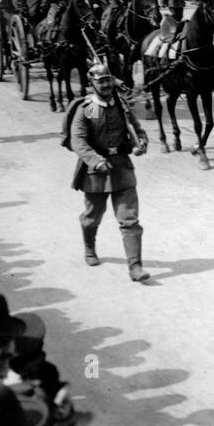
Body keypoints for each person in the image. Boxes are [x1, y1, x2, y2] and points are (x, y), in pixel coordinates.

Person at [69, 63, 150, 282]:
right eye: (100, 81)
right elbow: (78, 141)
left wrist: (141, 142)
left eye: (108, 80)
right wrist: (95, 161)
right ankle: (89, 248)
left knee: (129, 219)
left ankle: (135, 267)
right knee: (92, 216)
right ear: (92, 84)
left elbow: (137, 129)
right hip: (96, 173)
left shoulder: (122, 105)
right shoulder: (84, 108)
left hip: (122, 167)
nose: (105, 85)